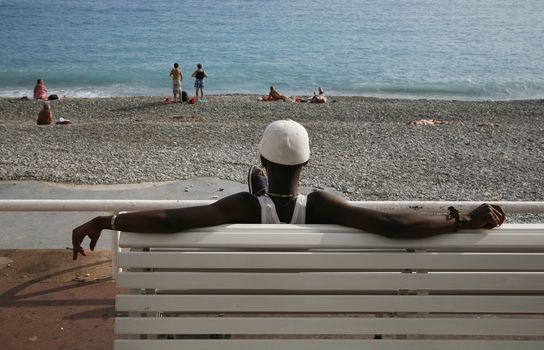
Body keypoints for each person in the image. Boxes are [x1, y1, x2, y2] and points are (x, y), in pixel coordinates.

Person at [72, 119, 505, 260]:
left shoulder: (240, 206)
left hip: (240, 294)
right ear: (308, 162)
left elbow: (171, 219)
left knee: (258, 197)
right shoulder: (322, 205)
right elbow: (391, 225)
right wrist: (463, 219)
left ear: (262, 163)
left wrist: (105, 219)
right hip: (323, 305)